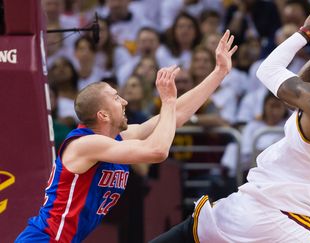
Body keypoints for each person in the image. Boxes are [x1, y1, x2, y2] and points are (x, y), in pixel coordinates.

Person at [151, 0, 310, 242]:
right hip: (300, 230)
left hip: (260, 213)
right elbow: (295, 99)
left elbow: (267, 70)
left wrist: (306, 32)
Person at [15, 30, 237, 243]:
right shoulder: (84, 144)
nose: (125, 102)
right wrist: (167, 102)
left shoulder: (119, 138)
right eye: (116, 97)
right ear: (102, 114)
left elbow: (174, 117)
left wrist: (219, 73)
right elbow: (157, 151)